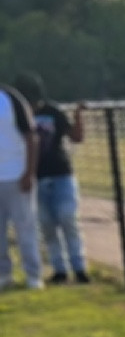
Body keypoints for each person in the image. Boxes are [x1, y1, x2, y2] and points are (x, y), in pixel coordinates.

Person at [13, 74, 88, 285]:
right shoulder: (17, 116)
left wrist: (78, 116)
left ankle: (79, 267)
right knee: (47, 225)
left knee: (67, 218)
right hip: (36, 177)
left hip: (60, 173)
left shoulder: (53, 112)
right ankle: (59, 269)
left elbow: (76, 137)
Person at [0, 82, 42, 292]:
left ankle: (33, 276)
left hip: (16, 175)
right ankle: (3, 275)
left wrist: (29, 172)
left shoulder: (11, 99)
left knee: (25, 228)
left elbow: (31, 136)